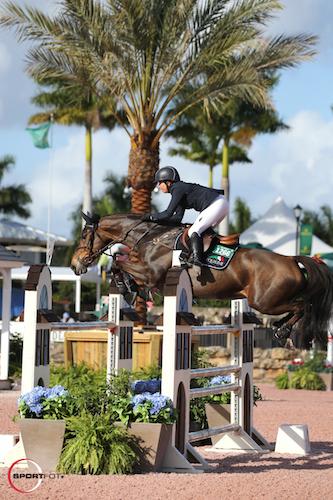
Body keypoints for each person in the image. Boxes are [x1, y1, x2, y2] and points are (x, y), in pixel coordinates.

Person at [143, 166, 229, 266]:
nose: (159, 186)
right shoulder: (178, 190)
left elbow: (168, 213)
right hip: (220, 204)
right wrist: (158, 221)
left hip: (216, 204)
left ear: (169, 182)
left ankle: (197, 260)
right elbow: (177, 218)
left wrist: (150, 217)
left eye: (160, 182)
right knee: (204, 232)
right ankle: (214, 257)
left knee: (194, 231)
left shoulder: (177, 188)